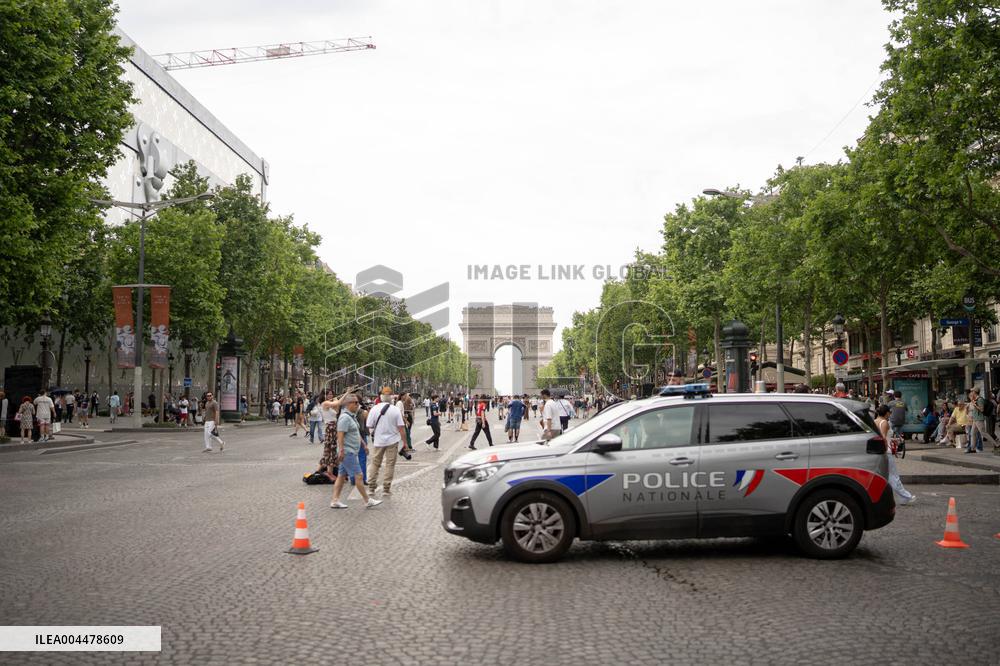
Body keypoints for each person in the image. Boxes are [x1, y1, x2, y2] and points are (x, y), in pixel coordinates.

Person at [329, 394, 382, 509]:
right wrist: (341, 450)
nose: (358, 405)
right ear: (348, 404)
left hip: (351, 450)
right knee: (359, 476)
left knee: (341, 476)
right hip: (348, 452)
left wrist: (363, 444)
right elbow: (340, 435)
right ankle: (367, 500)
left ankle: (335, 500)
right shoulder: (344, 418)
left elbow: (356, 433)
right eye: (355, 403)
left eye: (358, 402)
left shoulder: (351, 416)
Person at [366, 387, 407, 496]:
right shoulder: (395, 410)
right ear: (391, 397)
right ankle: (386, 489)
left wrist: (375, 431)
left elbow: (369, 425)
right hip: (393, 440)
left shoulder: (374, 409)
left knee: (375, 463)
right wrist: (405, 443)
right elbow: (401, 428)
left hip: (379, 441)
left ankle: (371, 487)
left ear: (381, 397)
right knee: (390, 464)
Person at [875, 405, 915, 505]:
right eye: (890, 412)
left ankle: (880, 498)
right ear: (887, 413)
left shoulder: (875, 421)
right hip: (886, 452)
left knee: (882, 476)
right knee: (894, 476)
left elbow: (881, 437)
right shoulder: (884, 422)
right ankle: (906, 496)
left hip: (878, 452)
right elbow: (883, 438)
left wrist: (893, 440)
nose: (890, 414)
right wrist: (886, 449)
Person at [967, 387, 998, 454]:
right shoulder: (975, 399)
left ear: (975, 392)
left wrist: (975, 405)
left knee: (983, 433)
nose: (971, 392)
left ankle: (996, 445)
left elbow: (982, 410)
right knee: (972, 433)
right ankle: (972, 448)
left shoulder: (980, 399)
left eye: (972, 391)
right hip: (975, 419)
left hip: (979, 419)